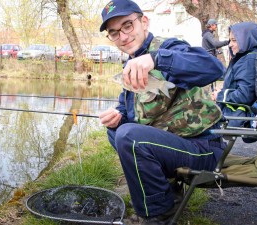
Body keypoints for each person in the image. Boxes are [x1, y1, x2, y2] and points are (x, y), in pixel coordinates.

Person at [97, 0, 226, 224]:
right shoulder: (130, 65)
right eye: (114, 33)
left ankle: (157, 214)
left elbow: (213, 68)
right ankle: (166, 192)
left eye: (128, 25)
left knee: (128, 137)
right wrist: (116, 117)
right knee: (117, 132)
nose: (123, 37)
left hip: (203, 149)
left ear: (144, 22)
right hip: (174, 145)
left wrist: (157, 59)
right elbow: (128, 111)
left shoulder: (169, 47)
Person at [211, 22, 257, 128]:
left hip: (232, 116)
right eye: (230, 40)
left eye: (234, 40)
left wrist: (220, 95)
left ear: (246, 40)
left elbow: (244, 95)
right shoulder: (244, 57)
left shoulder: (248, 60)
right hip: (229, 114)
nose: (230, 44)